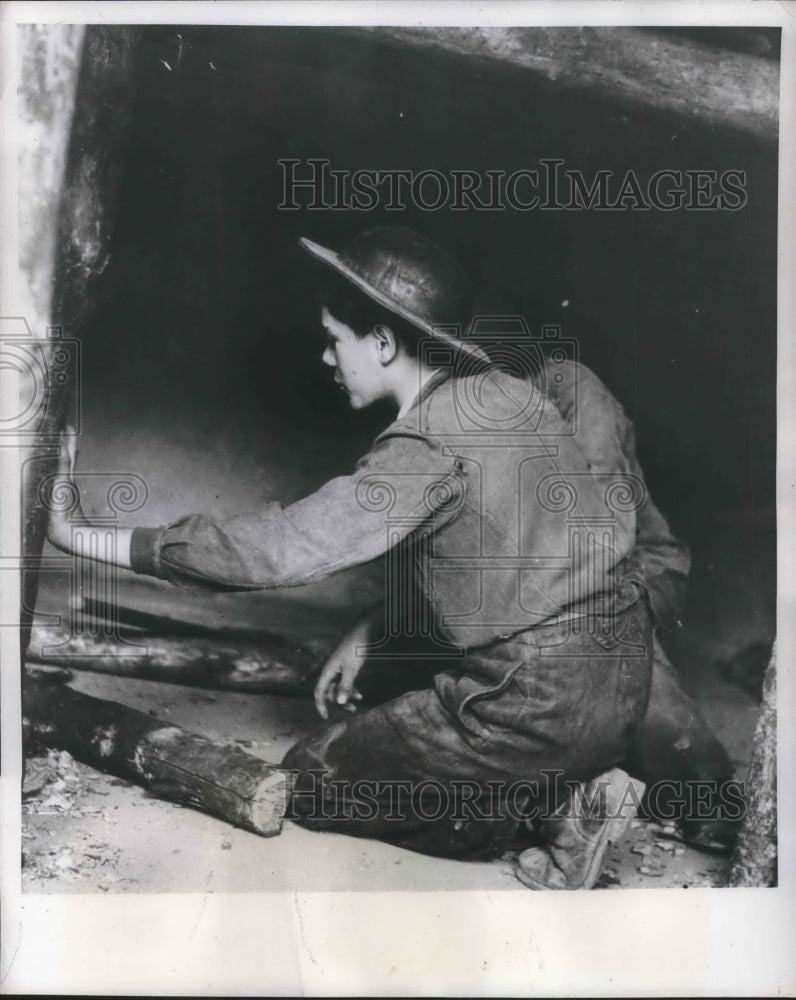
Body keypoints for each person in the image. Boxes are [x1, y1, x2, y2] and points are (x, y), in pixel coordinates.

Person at [48, 225, 666, 889]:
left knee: (314, 776)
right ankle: (564, 784)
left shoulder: (422, 449)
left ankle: (558, 806)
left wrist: (80, 536)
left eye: (334, 339)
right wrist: (373, 625)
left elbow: (272, 553)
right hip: (625, 673)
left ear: (382, 342)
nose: (325, 357)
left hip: (535, 699)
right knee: (420, 716)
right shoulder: (511, 397)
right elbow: (511, 559)